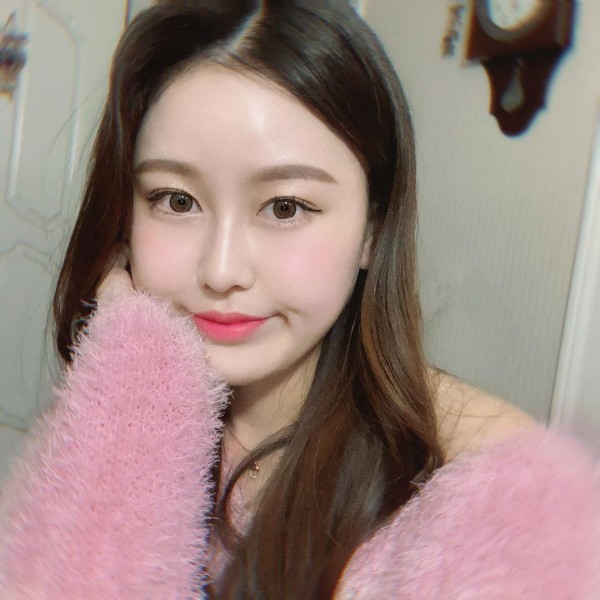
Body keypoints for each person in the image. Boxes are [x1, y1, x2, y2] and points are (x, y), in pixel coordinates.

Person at [0, 1, 598, 598]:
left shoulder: (488, 507)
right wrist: (131, 378)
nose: (221, 271)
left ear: (372, 230)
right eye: (176, 200)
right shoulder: (115, 397)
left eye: (285, 207)